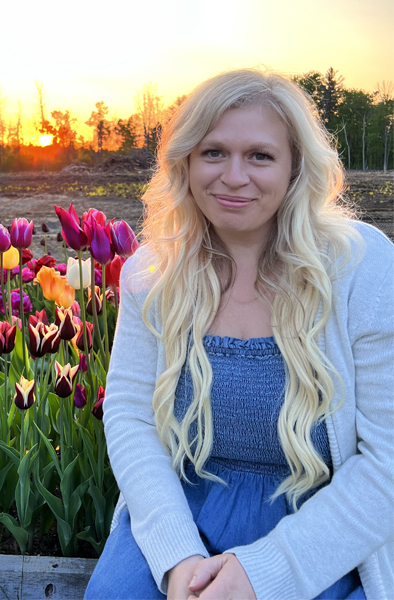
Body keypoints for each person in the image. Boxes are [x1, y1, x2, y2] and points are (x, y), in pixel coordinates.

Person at [84, 69, 393, 600]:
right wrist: (178, 557)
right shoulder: (152, 274)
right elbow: (131, 415)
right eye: (213, 153)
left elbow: (387, 461)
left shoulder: (359, 267)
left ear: (296, 167)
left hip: (326, 528)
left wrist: (266, 573)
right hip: (181, 516)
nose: (233, 176)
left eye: (260, 156)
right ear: (185, 160)